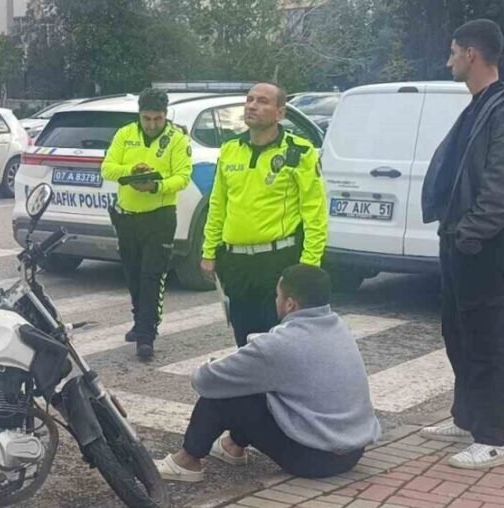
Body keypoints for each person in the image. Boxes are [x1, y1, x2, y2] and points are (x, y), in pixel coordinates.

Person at [418, 19, 504, 470]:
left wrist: (469, 235)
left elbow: (503, 190)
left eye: (453, 52)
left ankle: (495, 438)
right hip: (458, 239)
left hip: (482, 244)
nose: (448, 60)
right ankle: (466, 416)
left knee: (487, 341)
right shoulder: (478, 107)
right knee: (459, 333)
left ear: (471, 54)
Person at [155, 264, 381, 481]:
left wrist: (212, 363)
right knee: (258, 388)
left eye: (278, 295)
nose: (276, 300)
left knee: (227, 394)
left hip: (316, 459)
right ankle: (232, 446)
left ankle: (186, 462)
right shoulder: (339, 327)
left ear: (290, 304)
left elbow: (205, 381)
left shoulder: (279, 344)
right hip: (352, 452)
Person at [201, 83, 329, 348]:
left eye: (262, 101)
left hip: (277, 261)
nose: (252, 106)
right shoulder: (230, 149)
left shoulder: (299, 152)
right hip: (236, 263)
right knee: (245, 342)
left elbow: (315, 215)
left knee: (278, 343)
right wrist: (209, 251)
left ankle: (278, 391)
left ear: (280, 113)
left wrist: (307, 267)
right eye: (249, 100)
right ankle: (252, 390)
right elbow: (218, 205)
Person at [101, 88, 193, 361]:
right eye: (147, 118)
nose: (152, 124)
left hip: (160, 216)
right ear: (139, 115)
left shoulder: (176, 138)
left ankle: (146, 335)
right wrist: (131, 171)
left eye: (157, 119)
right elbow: (107, 168)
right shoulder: (125, 134)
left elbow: (183, 177)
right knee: (132, 274)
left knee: (152, 276)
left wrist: (156, 186)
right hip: (127, 216)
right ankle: (140, 320)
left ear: (166, 116)